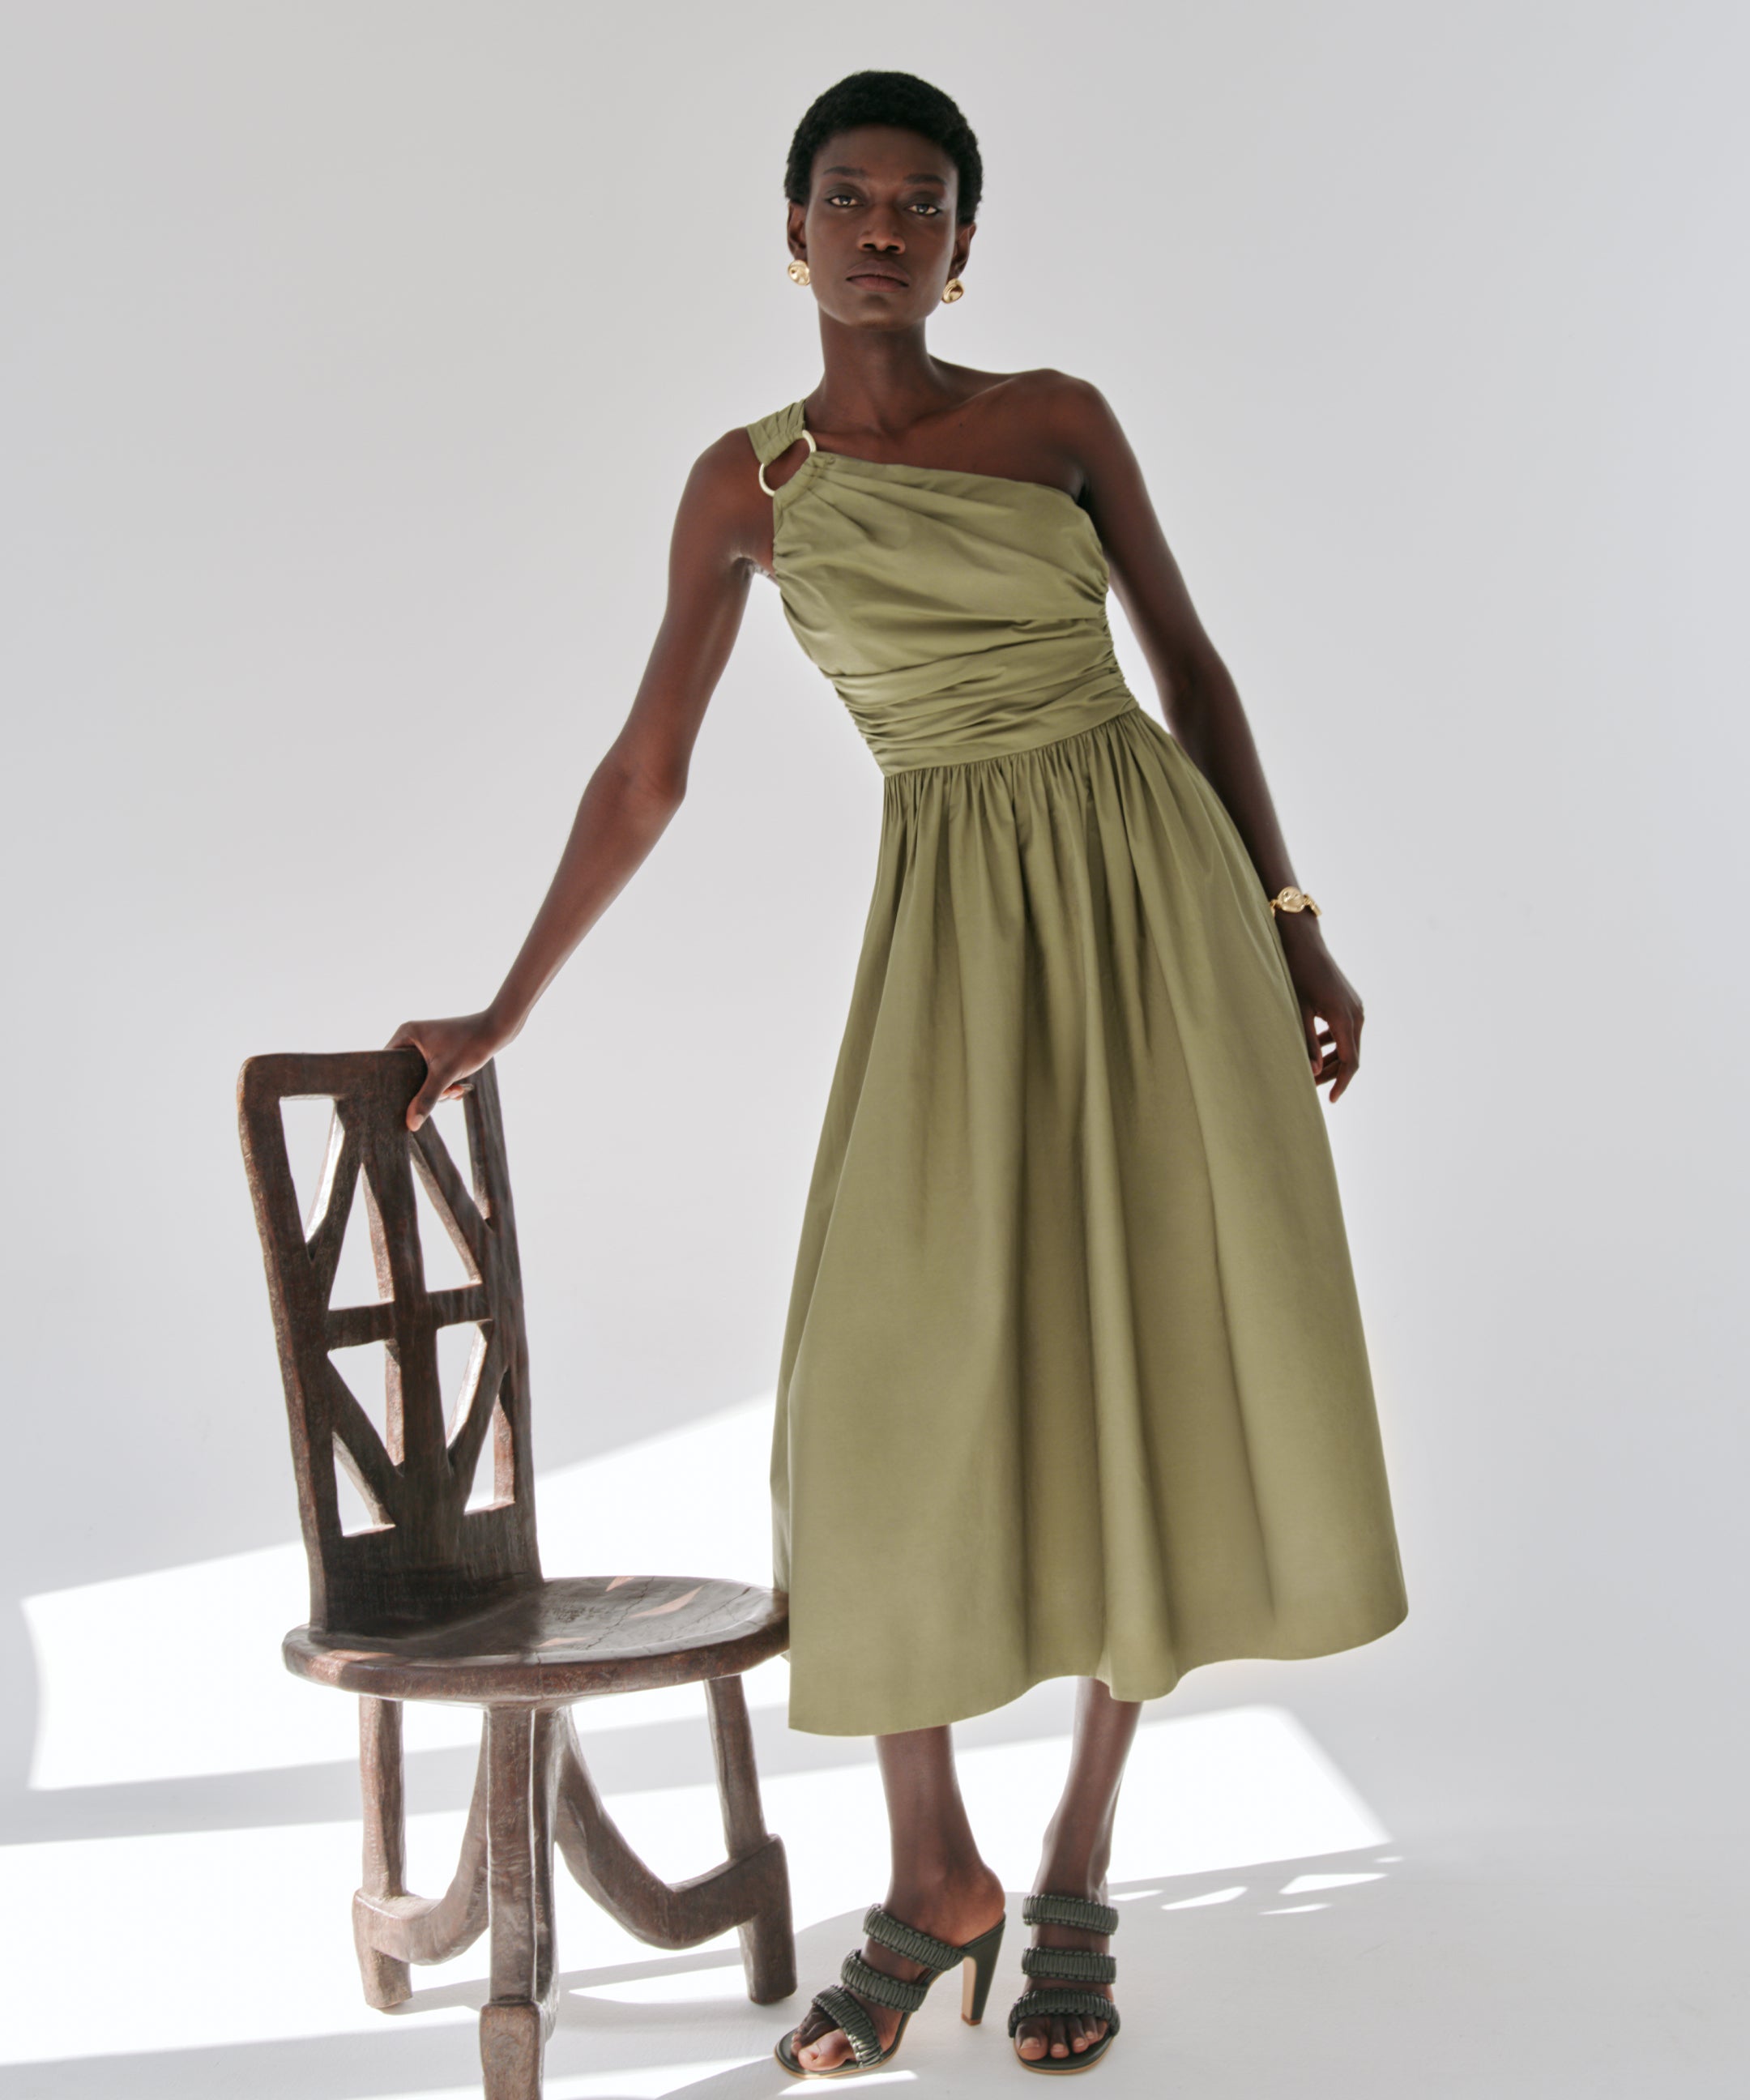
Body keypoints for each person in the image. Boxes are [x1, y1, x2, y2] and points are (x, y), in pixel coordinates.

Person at [391, 68, 1406, 2080]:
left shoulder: (1059, 421)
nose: (881, 230)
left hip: (1154, 903)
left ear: (962, 245)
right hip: (953, 925)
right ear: (793, 235)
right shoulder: (745, 489)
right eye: (847, 198)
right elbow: (646, 772)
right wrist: (508, 1008)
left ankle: (1078, 1860)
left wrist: (1294, 924)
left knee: (1147, 1357)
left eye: (919, 203)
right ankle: (934, 1872)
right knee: (875, 1393)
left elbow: (1192, 674)